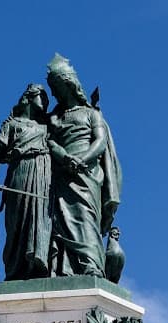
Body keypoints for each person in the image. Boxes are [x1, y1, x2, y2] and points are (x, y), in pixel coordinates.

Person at [45, 54, 120, 277]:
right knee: (59, 220)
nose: (54, 94)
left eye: (56, 88)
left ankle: (91, 265)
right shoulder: (53, 118)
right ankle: (62, 269)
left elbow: (100, 141)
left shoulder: (91, 114)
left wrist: (82, 160)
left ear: (68, 85)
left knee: (85, 217)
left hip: (87, 173)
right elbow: (47, 141)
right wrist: (63, 157)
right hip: (60, 173)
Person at [0, 83, 52, 281]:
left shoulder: (47, 126)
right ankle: (17, 267)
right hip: (20, 171)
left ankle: (39, 262)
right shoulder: (12, 124)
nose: (45, 101)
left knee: (41, 217)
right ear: (29, 98)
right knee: (19, 221)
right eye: (42, 96)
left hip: (44, 173)